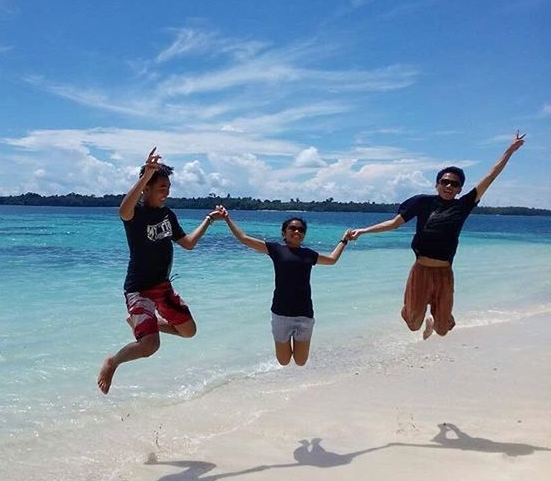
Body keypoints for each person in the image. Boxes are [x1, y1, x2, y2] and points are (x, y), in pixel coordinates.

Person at [348, 132, 526, 339]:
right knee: (413, 324)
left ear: (460, 189)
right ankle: (416, 310)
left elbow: (490, 177)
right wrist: (363, 231)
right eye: (445, 182)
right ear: (437, 184)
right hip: (421, 270)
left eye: (454, 184)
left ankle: (435, 319)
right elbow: (395, 223)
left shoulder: (463, 206)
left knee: (442, 330)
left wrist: (510, 151)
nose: (449, 186)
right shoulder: (422, 202)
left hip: (444, 273)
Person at [98, 148, 224, 394]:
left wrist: (209, 219)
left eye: (168, 187)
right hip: (139, 289)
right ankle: (112, 362)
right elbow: (123, 210)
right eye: (161, 187)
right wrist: (146, 174)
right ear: (146, 188)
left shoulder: (167, 214)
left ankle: (148, 323)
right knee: (150, 346)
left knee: (189, 331)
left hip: (163, 286)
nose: (166, 192)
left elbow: (187, 243)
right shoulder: (136, 214)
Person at [220, 206, 351, 366]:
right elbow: (244, 238)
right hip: (281, 314)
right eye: (293, 228)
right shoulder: (276, 250)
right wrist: (227, 218)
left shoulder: (309, 254)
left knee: (301, 361)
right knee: (283, 361)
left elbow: (331, 260)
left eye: (301, 230)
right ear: (284, 233)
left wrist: (344, 240)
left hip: (304, 314)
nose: (297, 231)